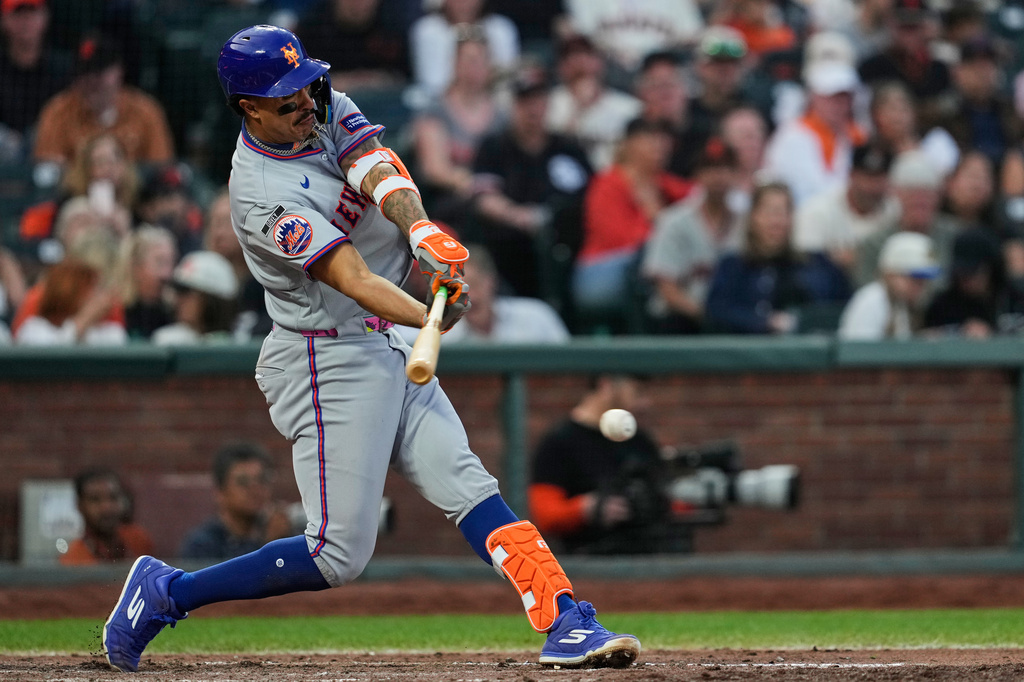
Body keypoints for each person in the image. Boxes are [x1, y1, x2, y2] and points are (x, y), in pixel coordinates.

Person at [101, 25, 640, 674]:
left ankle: (565, 619)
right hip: (326, 359)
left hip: (381, 338)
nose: (306, 102)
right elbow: (351, 277)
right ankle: (167, 593)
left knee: (468, 484)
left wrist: (422, 233)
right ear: (249, 109)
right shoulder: (261, 196)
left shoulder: (320, 103)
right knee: (336, 554)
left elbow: (376, 168)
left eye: (306, 86)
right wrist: (432, 315)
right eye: (286, 97)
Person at [529, 374, 690, 554]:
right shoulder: (560, 442)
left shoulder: (640, 441)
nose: (644, 403)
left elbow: (668, 499)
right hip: (592, 563)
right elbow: (545, 515)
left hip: (649, 557)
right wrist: (586, 508)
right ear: (606, 385)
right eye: (637, 392)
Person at [472, 67, 593, 300]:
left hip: (567, 245)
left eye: (538, 100)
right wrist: (519, 216)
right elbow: (483, 199)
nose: (533, 108)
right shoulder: (495, 147)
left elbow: (591, 195)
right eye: (525, 101)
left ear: (548, 103)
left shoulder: (568, 148)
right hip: (510, 247)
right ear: (514, 105)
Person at [572, 117, 692, 328]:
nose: (659, 144)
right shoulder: (607, 184)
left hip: (651, 275)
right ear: (628, 143)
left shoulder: (666, 185)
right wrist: (658, 222)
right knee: (645, 259)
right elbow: (623, 240)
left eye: (664, 137)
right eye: (650, 137)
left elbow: (701, 203)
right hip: (601, 274)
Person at [704, 181, 851, 334]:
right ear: (753, 217)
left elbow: (843, 308)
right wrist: (765, 322)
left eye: (783, 212)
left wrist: (805, 320)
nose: (776, 222)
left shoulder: (817, 264)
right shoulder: (733, 266)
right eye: (769, 212)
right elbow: (716, 311)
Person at [641, 138, 746, 334]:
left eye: (725, 169)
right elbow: (667, 288)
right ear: (697, 174)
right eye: (710, 169)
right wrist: (710, 316)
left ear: (736, 175)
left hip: (729, 321)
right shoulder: (673, 221)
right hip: (677, 321)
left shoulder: (746, 223)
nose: (718, 176)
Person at [410, 26, 505, 232]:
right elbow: (434, 169)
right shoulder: (435, 111)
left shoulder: (502, 114)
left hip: (497, 201)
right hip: (450, 205)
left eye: (482, 60)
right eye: (470, 60)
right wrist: (472, 184)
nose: (477, 66)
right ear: (455, 63)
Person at [33, 32, 174, 168]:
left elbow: (160, 171)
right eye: (85, 72)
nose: (92, 81)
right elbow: (47, 173)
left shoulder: (145, 112)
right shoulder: (58, 112)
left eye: (99, 73)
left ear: (119, 71)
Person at [396, 244, 570, 344]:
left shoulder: (537, 315)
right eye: (456, 290)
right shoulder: (438, 331)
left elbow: (571, 368)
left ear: (491, 281)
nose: (468, 296)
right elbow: (399, 336)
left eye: (474, 284)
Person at [763, 60, 867, 206]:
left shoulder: (858, 137)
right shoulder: (792, 136)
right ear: (814, 97)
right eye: (831, 97)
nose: (838, 104)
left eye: (844, 97)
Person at [793, 142, 900, 275]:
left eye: (879, 179)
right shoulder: (818, 211)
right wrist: (831, 262)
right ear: (851, 175)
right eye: (867, 178)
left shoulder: (895, 212)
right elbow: (805, 263)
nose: (873, 188)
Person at [178, 442, 294, 561]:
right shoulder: (203, 545)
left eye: (262, 479)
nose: (256, 489)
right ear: (220, 492)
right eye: (243, 482)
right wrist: (269, 547)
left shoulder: (281, 532)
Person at [545, 34, 642, 171]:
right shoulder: (548, 103)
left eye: (586, 54)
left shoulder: (629, 108)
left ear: (600, 62)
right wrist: (578, 109)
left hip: (612, 181)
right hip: (566, 180)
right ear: (561, 67)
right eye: (570, 56)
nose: (579, 61)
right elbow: (549, 154)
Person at [0, 0, 73, 161]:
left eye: (32, 13)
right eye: (18, 14)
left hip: (52, 153)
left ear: (45, 18)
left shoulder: (65, 68)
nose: (25, 22)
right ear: (3, 20)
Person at [838, 230, 940, 340]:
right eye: (914, 279)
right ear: (891, 274)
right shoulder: (872, 300)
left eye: (923, 281)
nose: (920, 286)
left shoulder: (899, 305)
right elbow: (859, 353)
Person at [408, 0, 519, 100]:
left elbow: (508, 77)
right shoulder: (427, 30)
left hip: (494, 101)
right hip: (445, 104)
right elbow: (434, 85)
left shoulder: (501, 28)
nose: (464, 2)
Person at [296, 0, 410, 93]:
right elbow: (300, 80)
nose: (357, 3)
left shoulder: (395, 25)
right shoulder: (312, 28)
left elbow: (408, 79)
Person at [14, 257, 126, 346]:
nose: (98, 296)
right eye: (91, 289)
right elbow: (51, 363)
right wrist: (83, 321)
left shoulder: (111, 333)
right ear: (68, 293)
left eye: (99, 288)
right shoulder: (34, 329)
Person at [59, 469, 154, 565]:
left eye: (113, 497)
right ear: (80, 505)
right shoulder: (73, 560)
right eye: (95, 499)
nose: (107, 507)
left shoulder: (138, 540)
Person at [151, 250, 240, 346]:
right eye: (178, 291)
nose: (179, 298)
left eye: (186, 291)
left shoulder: (242, 338)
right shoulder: (167, 340)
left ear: (212, 300)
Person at [117, 225, 177, 340]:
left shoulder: (176, 313)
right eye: (160, 262)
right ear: (135, 266)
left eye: (170, 262)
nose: (167, 273)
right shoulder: (116, 311)